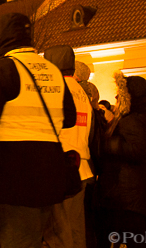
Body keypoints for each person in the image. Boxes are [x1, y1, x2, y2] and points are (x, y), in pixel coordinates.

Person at [0, 13, 78, 247]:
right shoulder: (52, 71)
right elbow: (69, 118)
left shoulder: (2, 70)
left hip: (13, 179)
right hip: (51, 176)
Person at [95, 72, 146, 248]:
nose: (115, 98)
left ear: (130, 98)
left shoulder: (131, 121)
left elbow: (139, 149)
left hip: (129, 196)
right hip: (131, 193)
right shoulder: (136, 118)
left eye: (120, 95)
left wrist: (108, 143)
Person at [42, 45, 96, 248]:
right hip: (81, 166)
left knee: (59, 231)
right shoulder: (81, 91)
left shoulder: (56, 89)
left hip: (62, 168)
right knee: (76, 228)